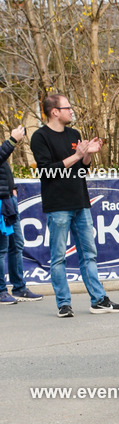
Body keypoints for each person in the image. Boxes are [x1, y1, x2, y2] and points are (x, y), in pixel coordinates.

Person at [30, 94, 119, 318]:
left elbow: (81, 172)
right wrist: (77, 155)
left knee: (89, 255)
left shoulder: (75, 134)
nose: (71, 111)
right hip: (58, 206)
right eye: (68, 107)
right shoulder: (40, 137)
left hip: (81, 203)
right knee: (59, 257)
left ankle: (99, 300)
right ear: (55, 111)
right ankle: (64, 304)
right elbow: (46, 171)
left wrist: (87, 157)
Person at [0, 125, 42, 304]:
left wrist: (13, 188)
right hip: (1, 203)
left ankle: (19, 288)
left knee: (16, 244)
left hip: (9, 200)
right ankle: (1, 290)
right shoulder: (6, 144)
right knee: (1, 249)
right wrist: (12, 140)